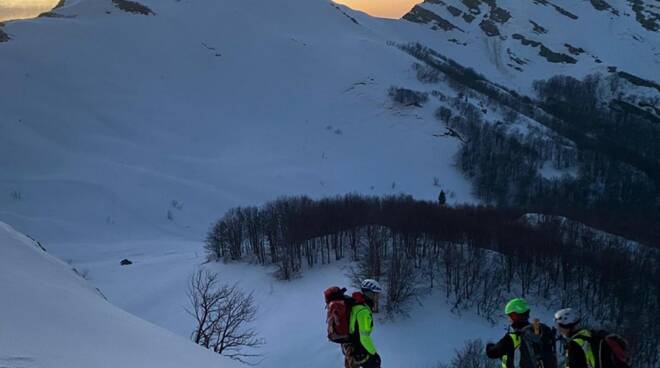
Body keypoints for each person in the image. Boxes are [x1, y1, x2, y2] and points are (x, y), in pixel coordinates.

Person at [486, 298, 557, 368]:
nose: (508, 319)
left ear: (515, 316)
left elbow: (492, 353)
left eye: (510, 315)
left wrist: (489, 345)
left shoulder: (512, 337)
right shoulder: (538, 332)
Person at [342, 279, 382, 368]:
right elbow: (364, 337)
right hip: (359, 351)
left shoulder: (356, 305)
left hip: (350, 348)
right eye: (376, 294)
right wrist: (374, 354)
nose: (378, 297)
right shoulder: (363, 311)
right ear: (370, 294)